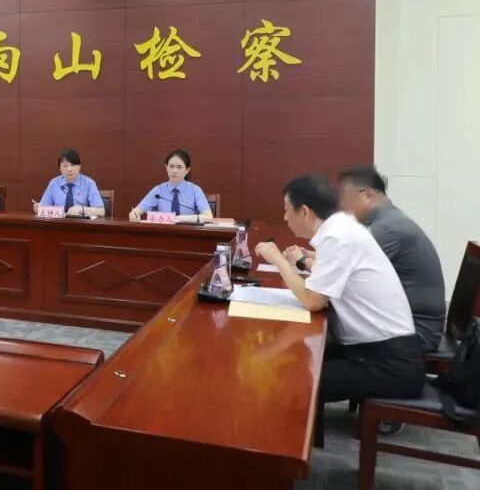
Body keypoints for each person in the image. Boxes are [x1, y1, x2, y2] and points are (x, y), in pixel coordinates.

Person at [254, 174, 424, 405]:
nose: (284, 217)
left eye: (286, 210)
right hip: (375, 351)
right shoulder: (343, 226)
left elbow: (313, 300)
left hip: (389, 363)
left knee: (292, 378)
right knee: (296, 358)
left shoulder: (337, 236)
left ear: (305, 212)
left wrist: (278, 260)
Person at [337, 165, 446, 352]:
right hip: (410, 325)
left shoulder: (388, 229)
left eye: (345, 198)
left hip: (415, 332)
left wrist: (303, 262)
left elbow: (342, 275)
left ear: (368, 195)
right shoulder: (389, 220)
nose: (342, 206)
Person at [129, 149, 213, 222]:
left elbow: (209, 217)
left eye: (179, 167)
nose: (174, 171)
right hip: (163, 233)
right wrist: (133, 215)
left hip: (188, 233)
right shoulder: (158, 191)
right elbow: (135, 212)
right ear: (166, 167)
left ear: (187, 170)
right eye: (171, 166)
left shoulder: (195, 190)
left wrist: (180, 218)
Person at [33, 149, 105, 218]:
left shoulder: (89, 183)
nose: (69, 169)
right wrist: (39, 208)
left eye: (73, 165)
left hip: (81, 224)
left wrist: (81, 209)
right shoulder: (54, 183)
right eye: (65, 166)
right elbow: (44, 207)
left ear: (79, 167)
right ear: (60, 168)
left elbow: (101, 211)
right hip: (58, 224)